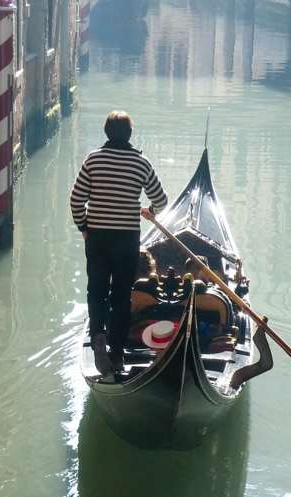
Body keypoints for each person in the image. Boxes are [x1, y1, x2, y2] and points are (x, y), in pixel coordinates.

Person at [70, 111, 168, 378]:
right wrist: (150, 210)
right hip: (126, 238)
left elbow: (76, 200)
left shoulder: (93, 160)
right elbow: (161, 199)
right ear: (130, 134)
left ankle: (98, 334)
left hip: (98, 236)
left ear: (106, 132)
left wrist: (84, 228)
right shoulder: (141, 162)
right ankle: (116, 353)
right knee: (121, 296)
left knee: (96, 290)